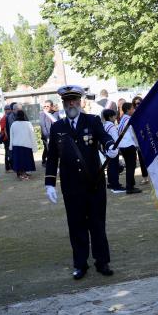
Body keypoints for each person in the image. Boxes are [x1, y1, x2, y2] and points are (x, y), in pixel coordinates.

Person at [45, 85, 118, 279]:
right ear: (63, 104)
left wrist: (111, 146)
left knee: (97, 224)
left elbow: (104, 137)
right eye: (67, 101)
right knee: (76, 225)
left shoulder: (92, 120)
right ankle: (80, 264)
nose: (71, 104)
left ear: (80, 102)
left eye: (74, 100)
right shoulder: (57, 127)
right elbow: (52, 157)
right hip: (71, 186)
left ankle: (102, 262)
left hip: (94, 183)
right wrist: (49, 183)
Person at [117, 102, 142, 195]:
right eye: (132, 108)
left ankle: (131, 184)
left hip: (123, 145)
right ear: (128, 110)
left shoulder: (123, 119)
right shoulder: (129, 119)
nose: (134, 110)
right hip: (128, 145)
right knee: (131, 166)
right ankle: (129, 187)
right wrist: (137, 145)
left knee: (129, 166)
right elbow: (133, 134)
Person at [101, 109, 125, 193]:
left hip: (107, 148)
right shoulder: (111, 126)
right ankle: (116, 185)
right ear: (111, 117)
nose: (115, 117)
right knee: (114, 167)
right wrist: (120, 148)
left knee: (110, 166)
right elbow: (116, 138)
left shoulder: (105, 125)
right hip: (113, 149)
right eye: (114, 116)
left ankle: (111, 183)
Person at [9, 110, 37, 180]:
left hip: (16, 145)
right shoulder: (28, 124)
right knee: (26, 161)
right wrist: (34, 146)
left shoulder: (13, 124)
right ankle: (24, 174)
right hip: (26, 145)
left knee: (19, 161)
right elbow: (32, 135)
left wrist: (10, 146)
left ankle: (21, 174)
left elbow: (11, 136)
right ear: (24, 115)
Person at [131, 95, 149, 184]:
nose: (137, 105)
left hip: (149, 137)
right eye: (135, 104)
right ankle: (145, 177)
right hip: (139, 140)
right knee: (142, 160)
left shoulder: (147, 111)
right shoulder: (134, 115)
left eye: (138, 103)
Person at [39, 100, 59, 166]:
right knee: (48, 149)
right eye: (44, 106)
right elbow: (43, 126)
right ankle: (46, 162)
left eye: (48, 106)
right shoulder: (42, 114)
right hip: (46, 136)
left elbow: (57, 123)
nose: (46, 107)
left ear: (51, 107)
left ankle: (47, 161)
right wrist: (47, 137)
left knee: (52, 149)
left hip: (55, 135)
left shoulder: (55, 113)